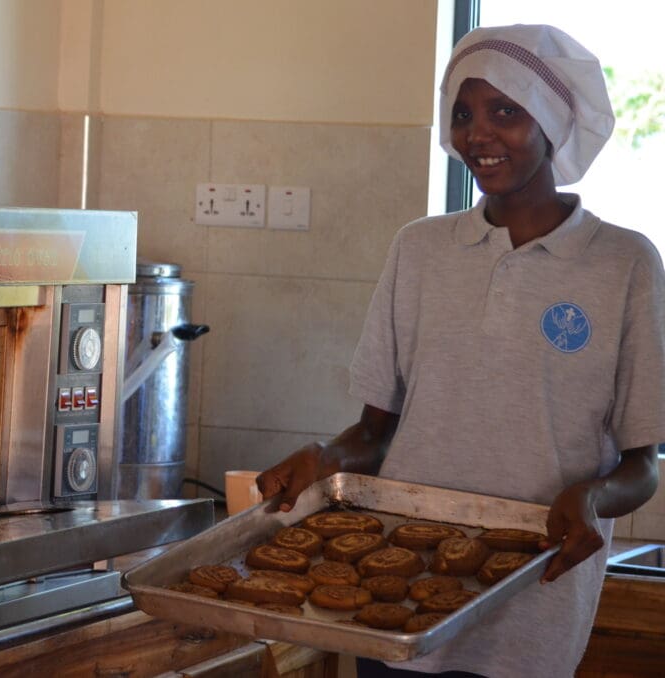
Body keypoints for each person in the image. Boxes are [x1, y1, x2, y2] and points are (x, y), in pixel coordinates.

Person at [256, 23, 663, 678]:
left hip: (537, 596)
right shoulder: (418, 251)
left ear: (552, 121)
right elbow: (375, 431)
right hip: (398, 584)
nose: (478, 134)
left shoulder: (624, 264)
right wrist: (324, 457)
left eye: (506, 111)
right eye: (464, 113)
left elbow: (644, 462)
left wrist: (593, 495)